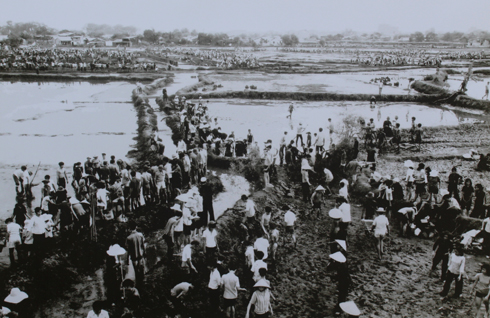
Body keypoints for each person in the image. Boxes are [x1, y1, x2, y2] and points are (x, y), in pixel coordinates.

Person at [126, 221, 146, 287]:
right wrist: (145, 252)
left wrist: (127, 259)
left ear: (129, 228)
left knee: (136, 272)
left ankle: (138, 284)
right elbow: (143, 245)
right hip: (141, 255)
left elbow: (128, 250)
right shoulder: (140, 235)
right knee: (141, 270)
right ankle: (142, 283)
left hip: (134, 257)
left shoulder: (129, 238)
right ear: (136, 227)